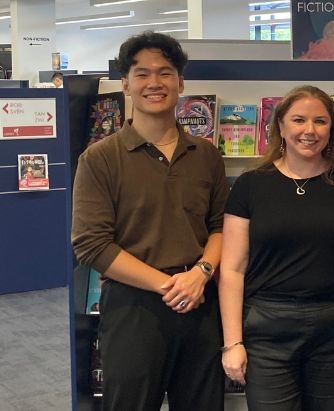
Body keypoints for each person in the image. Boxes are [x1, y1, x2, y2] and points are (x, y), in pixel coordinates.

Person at [71, 31, 228, 410]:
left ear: (180, 81)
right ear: (125, 83)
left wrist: (201, 273)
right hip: (133, 308)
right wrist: (168, 286)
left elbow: (221, 226)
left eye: (165, 72)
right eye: (142, 74)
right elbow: (91, 244)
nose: (154, 83)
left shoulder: (206, 155)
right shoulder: (100, 158)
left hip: (200, 303)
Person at [219, 85, 334, 410]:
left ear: (332, 130)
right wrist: (232, 343)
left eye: (320, 122)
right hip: (268, 330)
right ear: (280, 127)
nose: (309, 131)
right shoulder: (250, 184)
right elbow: (231, 268)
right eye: (299, 120)